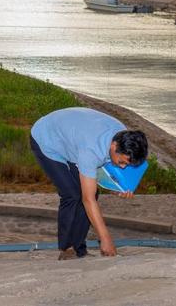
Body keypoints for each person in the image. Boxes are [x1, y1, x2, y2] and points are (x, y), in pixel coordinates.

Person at [30, 107, 148, 259]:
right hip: (46, 139)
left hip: (73, 139)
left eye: (127, 164)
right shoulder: (91, 151)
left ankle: (79, 249)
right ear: (114, 146)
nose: (122, 167)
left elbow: (104, 173)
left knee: (92, 192)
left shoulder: (123, 136)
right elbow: (88, 199)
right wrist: (105, 239)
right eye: (121, 162)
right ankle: (67, 250)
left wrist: (116, 187)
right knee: (72, 194)